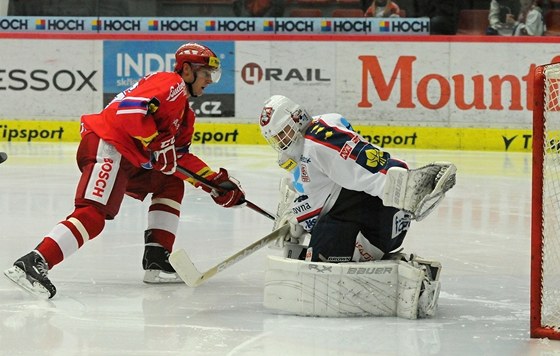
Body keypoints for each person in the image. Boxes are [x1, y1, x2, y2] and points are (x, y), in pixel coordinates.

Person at [3, 42, 245, 299]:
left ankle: (157, 259)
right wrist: (155, 140)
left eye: (213, 75)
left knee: (169, 182)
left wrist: (214, 183)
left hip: (129, 158)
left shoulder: (185, 114)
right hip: (108, 146)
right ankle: (35, 261)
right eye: (206, 72)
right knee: (93, 215)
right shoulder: (169, 83)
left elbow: (178, 158)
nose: (209, 80)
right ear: (186, 70)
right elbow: (129, 110)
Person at [258, 95, 456, 318]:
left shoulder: (317, 143)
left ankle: (411, 280)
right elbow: (323, 185)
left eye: (283, 133)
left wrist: (404, 187)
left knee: (317, 278)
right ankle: (399, 268)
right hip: (376, 217)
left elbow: (361, 163)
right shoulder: (321, 129)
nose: (282, 142)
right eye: (276, 138)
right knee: (317, 255)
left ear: (297, 118)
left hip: (377, 215)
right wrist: (297, 217)